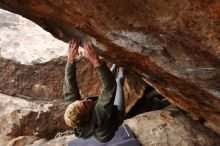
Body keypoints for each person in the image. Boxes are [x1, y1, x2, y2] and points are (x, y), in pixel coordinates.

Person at [63, 39, 125, 143]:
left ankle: (115, 64)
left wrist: (70, 60)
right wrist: (96, 61)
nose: (86, 99)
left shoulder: (76, 110)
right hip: (115, 115)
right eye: (85, 105)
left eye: (81, 100)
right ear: (87, 117)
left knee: (106, 85)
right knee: (118, 82)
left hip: (99, 128)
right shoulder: (99, 116)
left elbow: (70, 85)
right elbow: (110, 87)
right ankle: (123, 67)